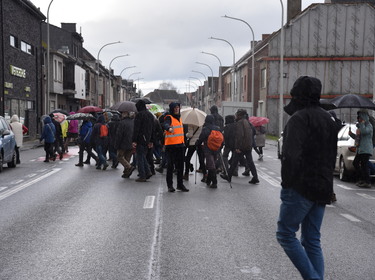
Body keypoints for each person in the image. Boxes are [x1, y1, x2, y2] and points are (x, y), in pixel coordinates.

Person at [276, 76, 338, 280]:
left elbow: (291, 156)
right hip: (322, 186)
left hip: (300, 187)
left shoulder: (299, 118)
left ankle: (313, 278)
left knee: (285, 234)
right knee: (312, 240)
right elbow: (331, 155)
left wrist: (287, 185)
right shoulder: (329, 119)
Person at [220, 109, 259, 184]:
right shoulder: (247, 122)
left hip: (242, 146)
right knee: (249, 162)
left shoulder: (240, 123)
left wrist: (237, 147)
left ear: (239, 115)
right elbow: (253, 132)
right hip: (248, 145)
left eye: (237, 114)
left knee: (235, 161)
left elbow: (239, 136)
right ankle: (255, 177)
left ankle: (228, 176)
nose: (235, 116)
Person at [162, 102, 189, 192]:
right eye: (175, 108)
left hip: (180, 145)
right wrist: (168, 128)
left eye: (178, 107)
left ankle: (180, 185)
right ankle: (170, 185)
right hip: (171, 146)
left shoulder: (180, 118)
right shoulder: (169, 117)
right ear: (172, 109)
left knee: (181, 166)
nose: (177, 109)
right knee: (170, 166)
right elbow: (165, 124)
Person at [195, 115, 221, 188]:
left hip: (208, 149)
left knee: (211, 166)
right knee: (212, 164)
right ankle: (208, 180)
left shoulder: (205, 129)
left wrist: (197, 143)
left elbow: (201, 138)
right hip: (216, 149)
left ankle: (214, 182)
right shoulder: (217, 128)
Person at [349, 110, 373, 188]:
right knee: (356, 163)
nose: (359, 119)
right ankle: (362, 179)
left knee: (364, 165)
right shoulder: (360, 127)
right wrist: (351, 134)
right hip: (360, 149)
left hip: (366, 149)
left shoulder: (369, 125)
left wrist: (361, 124)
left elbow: (364, 132)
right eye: (358, 118)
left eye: (360, 118)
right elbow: (358, 138)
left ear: (364, 118)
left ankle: (367, 181)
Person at [132, 99, 155, 182]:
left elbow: (136, 129)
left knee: (140, 157)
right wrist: (151, 140)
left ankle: (142, 175)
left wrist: (134, 140)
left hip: (140, 138)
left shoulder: (139, 115)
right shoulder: (150, 115)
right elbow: (153, 129)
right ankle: (148, 171)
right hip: (148, 138)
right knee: (143, 156)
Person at [115, 111, 136, 178]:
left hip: (123, 143)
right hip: (131, 142)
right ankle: (126, 173)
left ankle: (129, 167)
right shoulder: (133, 122)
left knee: (120, 156)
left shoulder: (122, 123)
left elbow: (119, 135)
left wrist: (116, 144)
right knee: (127, 158)